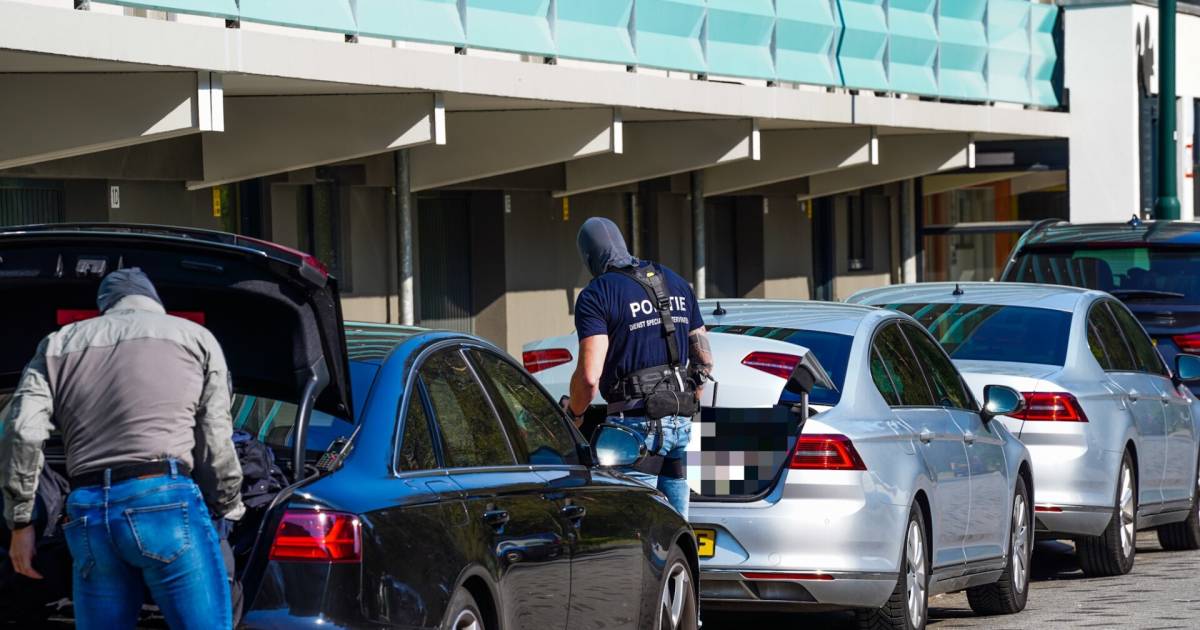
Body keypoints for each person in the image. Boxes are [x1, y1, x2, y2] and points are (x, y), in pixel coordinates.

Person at [0, 268, 244, 630]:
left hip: (87, 514)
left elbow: (19, 431)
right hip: (164, 501)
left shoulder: (57, 344)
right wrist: (226, 503)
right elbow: (214, 436)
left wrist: (21, 522)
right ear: (154, 302)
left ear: (104, 306)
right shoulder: (196, 338)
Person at [564, 217, 713, 518]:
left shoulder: (598, 294)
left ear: (588, 257)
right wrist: (687, 402)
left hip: (633, 428)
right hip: (679, 420)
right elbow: (704, 361)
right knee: (675, 526)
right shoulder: (674, 281)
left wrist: (575, 414)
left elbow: (590, 378)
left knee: (633, 525)